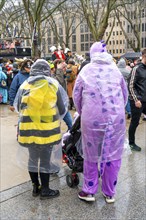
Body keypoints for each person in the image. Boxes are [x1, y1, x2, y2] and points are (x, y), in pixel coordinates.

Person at [73, 41, 128, 203]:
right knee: (113, 155)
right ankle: (110, 192)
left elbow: (77, 96)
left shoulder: (86, 71)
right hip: (115, 120)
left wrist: (83, 112)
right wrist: (117, 110)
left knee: (91, 155)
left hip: (92, 119)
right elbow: (124, 96)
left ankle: (89, 190)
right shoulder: (115, 70)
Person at [14, 59, 68, 199]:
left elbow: (18, 107)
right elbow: (62, 109)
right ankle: (45, 189)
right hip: (47, 132)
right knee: (45, 159)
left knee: (32, 158)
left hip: (29, 130)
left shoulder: (25, 85)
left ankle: (35, 187)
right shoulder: (53, 85)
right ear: (47, 70)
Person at [128, 48, 146, 151]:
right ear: (144, 56)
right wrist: (136, 100)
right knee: (135, 122)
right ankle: (131, 143)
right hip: (137, 101)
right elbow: (130, 86)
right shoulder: (136, 69)